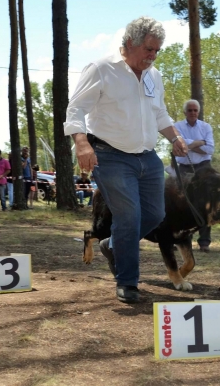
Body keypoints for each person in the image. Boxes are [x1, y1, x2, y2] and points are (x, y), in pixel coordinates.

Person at [64, 16, 188, 303]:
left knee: (156, 215)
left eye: (157, 51)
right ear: (130, 42)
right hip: (110, 156)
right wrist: (82, 144)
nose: (153, 56)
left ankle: (113, 244)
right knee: (129, 217)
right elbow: (76, 109)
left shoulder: (154, 75)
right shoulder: (101, 69)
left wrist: (175, 137)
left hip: (147, 157)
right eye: (148, 49)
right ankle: (128, 282)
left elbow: (160, 113)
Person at [174, 99, 215, 251]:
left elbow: (210, 149)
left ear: (198, 112)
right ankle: (184, 240)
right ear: (185, 112)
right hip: (184, 168)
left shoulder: (206, 126)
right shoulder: (176, 127)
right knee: (183, 204)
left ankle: (204, 241)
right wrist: (201, 142)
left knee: (206, 203)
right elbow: (180, 144)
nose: (193, 113)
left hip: (204, 168)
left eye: (195, 110)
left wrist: (189, 145)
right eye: (190, 110)